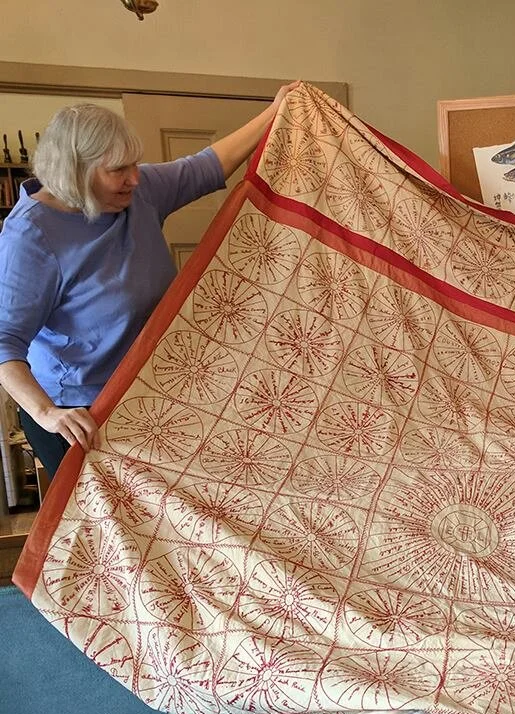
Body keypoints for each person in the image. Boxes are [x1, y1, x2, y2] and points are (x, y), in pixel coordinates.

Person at [0, 81, 301, 479]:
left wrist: (277, 111)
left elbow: (208, 165)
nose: (134, 179)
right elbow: (5, 341)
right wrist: (47, 413)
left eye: (135, 165)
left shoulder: (137, 195)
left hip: (148, 392)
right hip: (79, 413)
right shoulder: (31, 237)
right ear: (76, 172)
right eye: (118, 170)